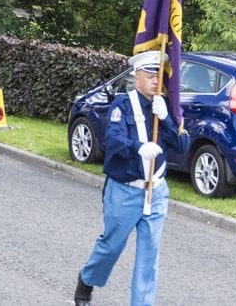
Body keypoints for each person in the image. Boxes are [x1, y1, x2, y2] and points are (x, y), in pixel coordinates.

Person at [73, 50, 187, 306]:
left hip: (156, 191)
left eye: (159, 76)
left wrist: (167, 119)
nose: (156, 81)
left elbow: (182, 145)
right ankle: (87, 279)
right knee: (112, 246)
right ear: (137, 78)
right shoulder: (122, 106)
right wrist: (138, 148)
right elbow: (113, 142)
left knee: (149, 256)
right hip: (125, 190)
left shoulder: (165, 107)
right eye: (150, 75)